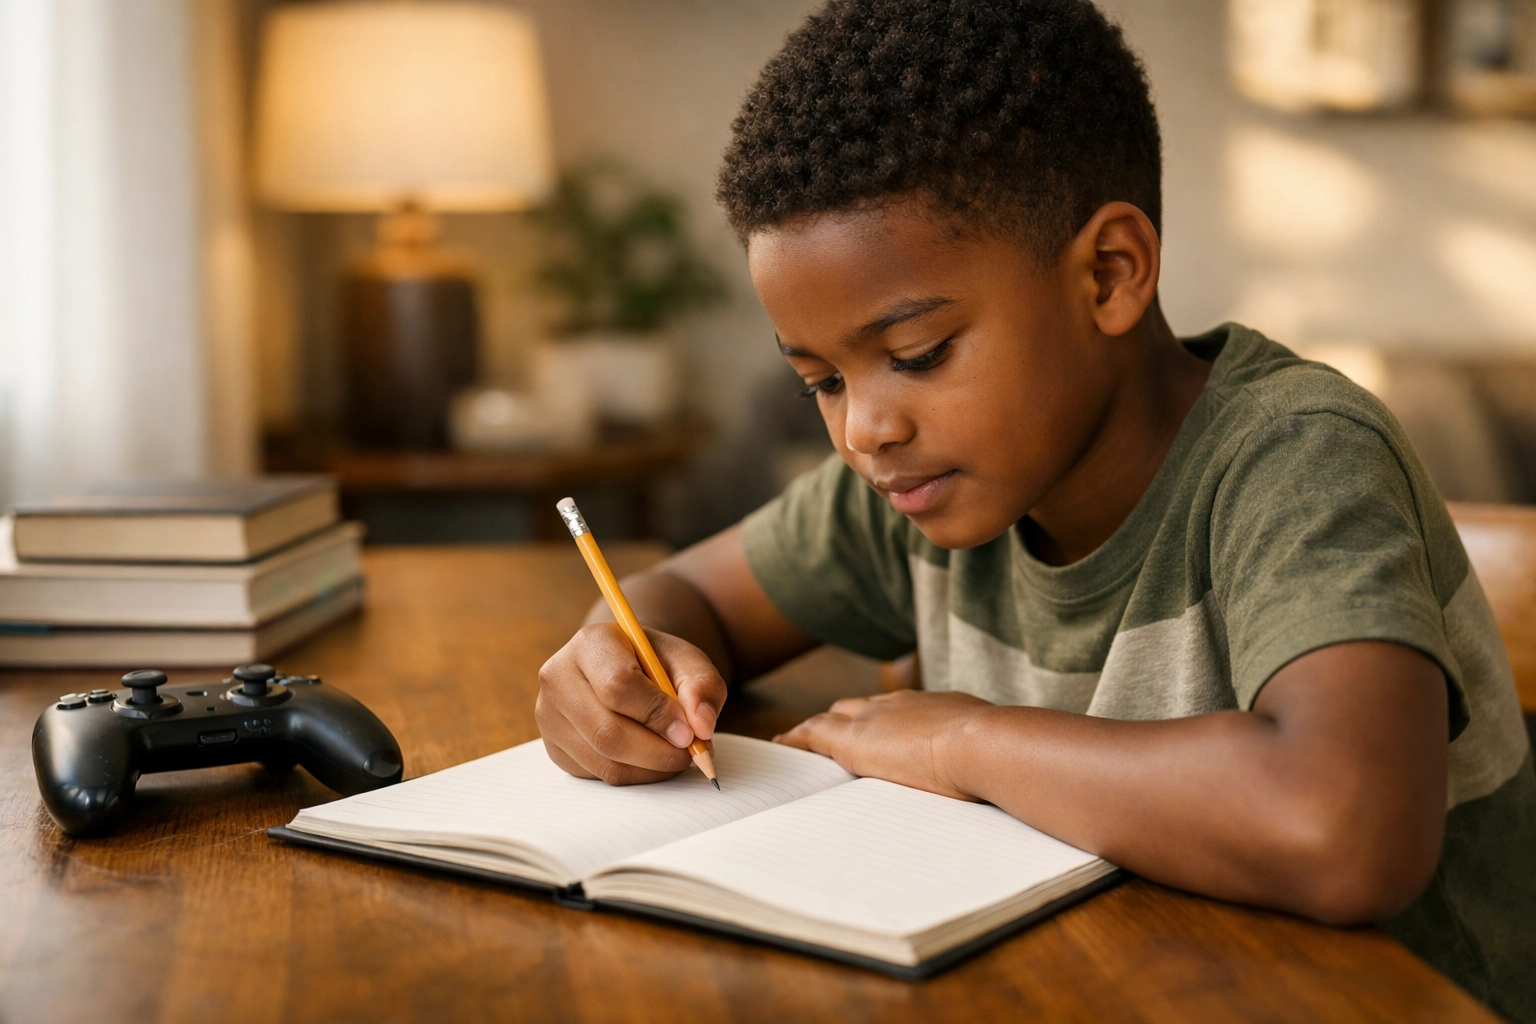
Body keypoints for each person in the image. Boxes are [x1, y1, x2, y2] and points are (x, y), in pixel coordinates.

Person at [534, 1, 1536, 1017]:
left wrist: (965, 742)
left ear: (1110, 274)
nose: (864, 430)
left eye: (916, 355)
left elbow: (1346, 827)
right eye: (821, 382)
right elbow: (683, 595)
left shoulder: (1296, 458)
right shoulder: (910, 484)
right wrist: (615, 663)